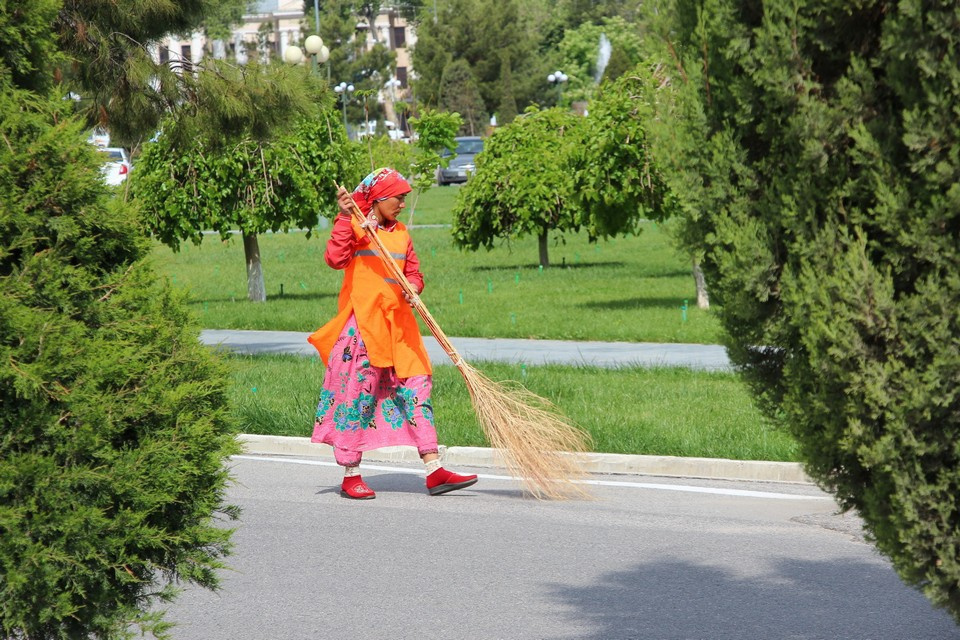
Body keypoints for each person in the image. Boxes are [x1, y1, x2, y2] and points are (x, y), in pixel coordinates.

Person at [307, 168, 478, 500]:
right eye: (398, 197)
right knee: (358, 398)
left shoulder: (401, 233)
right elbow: (335, 258)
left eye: (404, 198)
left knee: (417, 390)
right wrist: (345, 218)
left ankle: (434, 469)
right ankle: (350, 474)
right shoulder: (358, 227)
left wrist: (413, 286)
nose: (402, 203)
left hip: (400, 330)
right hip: (364, 331)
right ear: (379, 198)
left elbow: (413, 270)